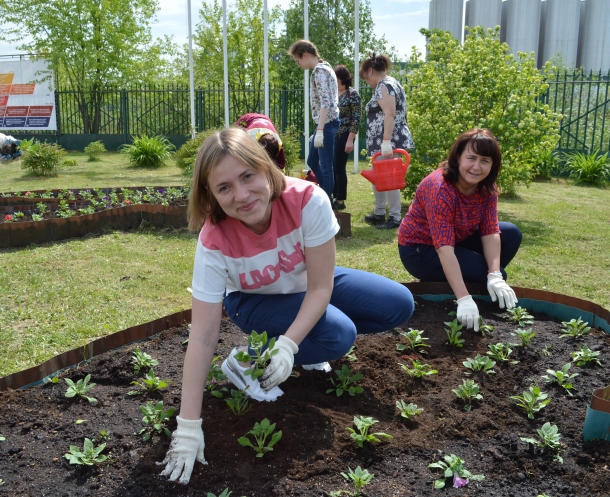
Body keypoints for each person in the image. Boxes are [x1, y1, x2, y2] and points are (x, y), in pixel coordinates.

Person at [159, 127, 415, 485]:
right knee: (338, 334)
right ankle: (247, 362)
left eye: (247, 176)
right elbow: (202, 336)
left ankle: (295, 347)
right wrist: (188, 427)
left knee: (397, 303)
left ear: (265, 167)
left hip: (308, 284)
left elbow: (321, 285)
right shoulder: (214, 239)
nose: (242, 195)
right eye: (224, 188)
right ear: (211, 196)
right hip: (254, 302)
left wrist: (291, 343)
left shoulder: (307, 199)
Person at [398, 128, 522, 331]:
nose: (476, 167)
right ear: (457, 157)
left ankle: (472, 283)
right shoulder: (439, 188)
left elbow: (490, 230)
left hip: (457, 239)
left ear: (493, 165)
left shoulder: (486, 187)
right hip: (420, 250)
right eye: (471, 158)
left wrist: (494, 275)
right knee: (491, 273)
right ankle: (452, 289)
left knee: (510, 234)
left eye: (485, 161)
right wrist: (464, 298)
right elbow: (443, 248)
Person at [360, 53, 415, 230]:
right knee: (380, 177)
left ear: (370, 71)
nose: (367, 82)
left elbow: (389, 114)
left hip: (389, 141)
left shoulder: (385, 86)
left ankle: (395, 217)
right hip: (384, 141)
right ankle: (378, 213)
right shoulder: (389, 84)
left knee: (390, 179)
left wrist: (386, 141)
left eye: (365, 78)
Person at [288, 39, 339, 202]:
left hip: (327, 124)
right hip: (325, 123)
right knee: (311, 160)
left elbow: (325, 101)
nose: (298, 64)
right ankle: (325, 196)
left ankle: (326, 201)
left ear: (305, 55)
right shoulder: (326, 67)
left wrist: (320, 130)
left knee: (325, 167)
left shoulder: (319, 71)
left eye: (297, 60)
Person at [332, 65, 361, 211]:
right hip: (332, 134)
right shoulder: (333, 93)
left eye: (336, 79)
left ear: (344, 78)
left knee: (339, 166)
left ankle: (341, 200)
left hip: (345, 133)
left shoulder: (352, 94)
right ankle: (334, 195)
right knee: (331, 166)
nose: (335, 82)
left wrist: (350, 139)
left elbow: (356, 119)